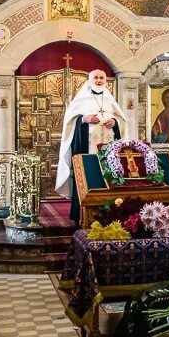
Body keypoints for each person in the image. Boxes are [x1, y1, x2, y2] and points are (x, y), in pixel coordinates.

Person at [55, 70, 127, 223]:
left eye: (102, 78)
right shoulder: (81, 99)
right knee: (88, 180)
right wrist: (83, 118)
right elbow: (70, 122)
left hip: (109, 153)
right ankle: (83, 217)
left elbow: (122, 122)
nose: (99, 80)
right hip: (87, 151)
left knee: (107, 181)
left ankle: (110, 216)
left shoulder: (110, 100)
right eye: (96, 78)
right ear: (90, 80)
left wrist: (115, 123)